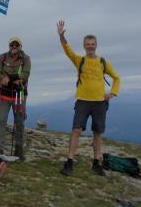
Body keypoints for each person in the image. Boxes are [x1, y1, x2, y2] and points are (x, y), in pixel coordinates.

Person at [57, 20, 120, 176]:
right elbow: (67, 49)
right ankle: (69, 162)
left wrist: (112, 94)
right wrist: (61, 36)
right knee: (76, 130)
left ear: (96, 45)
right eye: (88, 44)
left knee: (97, 133)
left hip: (100, 102)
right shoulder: (80, 60)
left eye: (92, 44)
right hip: (83, 101)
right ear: (84, 46)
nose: (90, 46)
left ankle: (96, 163)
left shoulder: (103, 62)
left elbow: (117, 78)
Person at [0, 36, 31, 159]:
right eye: (12, 45)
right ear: (9, 46)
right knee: (1, 120)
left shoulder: (26, 59)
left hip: (19, 95)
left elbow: (25, 75)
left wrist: (8, 78)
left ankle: (19, 150)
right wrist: (4, 78)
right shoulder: (2, 57)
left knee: (19, 122)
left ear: (20, 46)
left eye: (16, 45)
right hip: (4, 94)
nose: (14, 47)